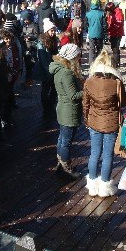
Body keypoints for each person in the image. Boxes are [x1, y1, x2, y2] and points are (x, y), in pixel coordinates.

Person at [82, 49, 126, 197]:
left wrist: (86, 120)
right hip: (111, 122)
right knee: (107, 155)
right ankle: (105, 186)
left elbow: (85, 104)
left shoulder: (89, 81)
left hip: (94, 121)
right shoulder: (116, 82)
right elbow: (124, 102)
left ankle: (93, 185)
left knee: (94, 153)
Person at [49, 43, 83, 179]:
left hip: (63, 109)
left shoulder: (60, 69)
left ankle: (60, 162)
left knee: (62, 138)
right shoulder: (67, 73)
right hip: (69, 111)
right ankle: (66, 166)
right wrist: (87, 90)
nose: (80, 58)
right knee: (66, 141)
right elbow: (73, 96)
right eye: (78, 55)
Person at [36, 18, 59, 118]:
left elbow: (55, 54)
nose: (53, 32)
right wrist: (48, 70)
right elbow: (42, 58)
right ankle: (46, 107)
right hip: (44, 68)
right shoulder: (41, 42)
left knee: (54, 88)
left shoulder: (53, 40)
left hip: (53, 67)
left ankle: (50, 105)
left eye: (54, 30)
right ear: (47, 31)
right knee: (45, 89)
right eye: (51, 30)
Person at [84, 0, 107, 66]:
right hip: (100, 34)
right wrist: (105, 33)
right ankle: (99, 63)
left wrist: (88, 30)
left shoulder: (88, 14)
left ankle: (92, 64)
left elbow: (85, 25)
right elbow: (105, 25)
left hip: (91, 34)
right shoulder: (102, 13)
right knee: (99, 49)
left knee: (92, 50)